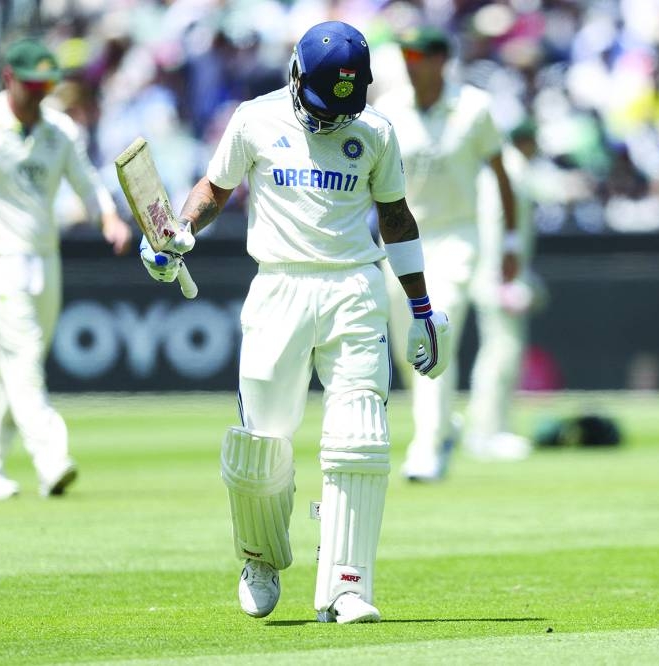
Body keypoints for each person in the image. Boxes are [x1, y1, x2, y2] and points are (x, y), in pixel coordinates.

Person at [138, 21, 451, 624]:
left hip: (354, 288)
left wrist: (420, 307)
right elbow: (215, 187)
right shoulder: (256, 118)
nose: (331, 118)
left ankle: (346, 586)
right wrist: (179, 232)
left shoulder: (376, 131)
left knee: (361, 436)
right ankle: (260, 556)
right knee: (262, 444)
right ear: (296, 75)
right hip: (279, 285)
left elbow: (396, 217)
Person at [0, 37, 132, 501]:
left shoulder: (59, 131)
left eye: (44, 87)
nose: (38, 95)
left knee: (15, 366)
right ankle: (52, 460)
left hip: (43, 259)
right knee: (25, 353)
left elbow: (88, 184)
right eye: (30, 86)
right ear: (8, 78)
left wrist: (109, 219)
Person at [373, 25, 519, 481]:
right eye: (406, 58)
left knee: (436, 321)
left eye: (418, 58)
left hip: (457, 237)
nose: (411, 67)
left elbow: (501, 174)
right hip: (401, 240)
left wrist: (510, 242)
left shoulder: (474, 108)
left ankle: (427, 446)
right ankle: (443, 425)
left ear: (440, 60)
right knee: (405, 343)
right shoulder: (389, 109)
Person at [465, 120, 542, 460]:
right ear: (527, 142)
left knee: (503, 356)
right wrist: (505, 280)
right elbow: (496, 228)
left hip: (500, 275)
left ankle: (493, 430)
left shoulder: (507, 169)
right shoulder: (509, 170)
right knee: (500, 356)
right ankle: (486, 433)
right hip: (498, 278)